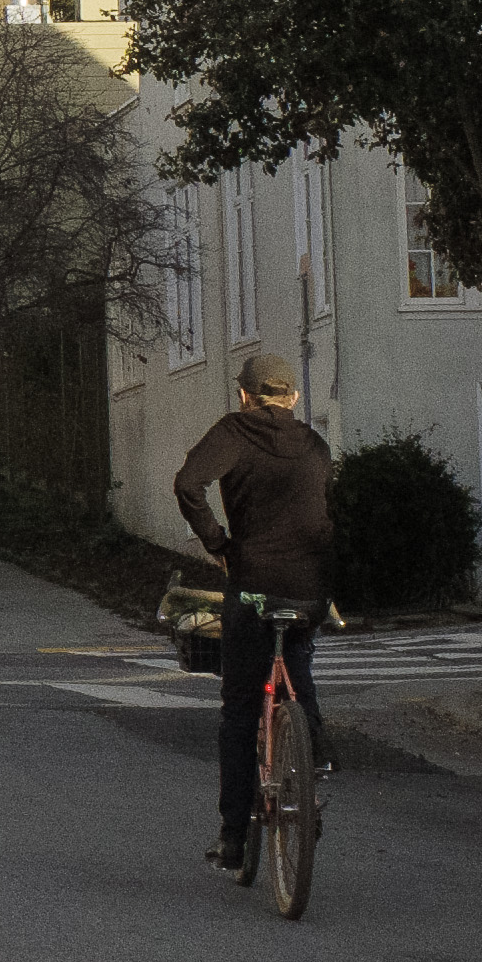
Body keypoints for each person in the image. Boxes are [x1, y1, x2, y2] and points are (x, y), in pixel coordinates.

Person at [170, 349, 334, 872]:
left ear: (244, 395)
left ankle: (233, 834)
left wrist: (217, 544)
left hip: (254, 584)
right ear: (294, 397)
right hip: (308, 589)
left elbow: (187, 484)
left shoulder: (235, 432)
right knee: (297, 664)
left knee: (240, 707)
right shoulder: (314, 444)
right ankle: (314, 752)